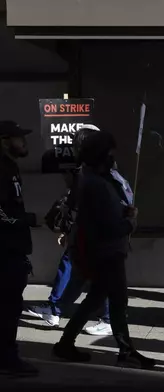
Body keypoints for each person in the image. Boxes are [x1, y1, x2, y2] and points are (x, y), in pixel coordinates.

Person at [52, 131, 155, 369]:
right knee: (117, 300)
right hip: (106, 252)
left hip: (104, 251)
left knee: (96, 298)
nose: (113, 158)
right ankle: (125, 350)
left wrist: (123, 213)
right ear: (100, 155)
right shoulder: (96, 183)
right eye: (110, 154)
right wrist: (130, 222)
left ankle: (66, 342)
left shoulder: (96, 179)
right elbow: (106, 225)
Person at [28, 126, 113, 336]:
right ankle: (57, 311)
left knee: (98, 278)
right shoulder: (87, 170)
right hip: (85, 233)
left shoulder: (99, 171)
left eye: (78, 144)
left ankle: (107, 319)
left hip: (99, 236)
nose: (75, 148)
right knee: (76, 274)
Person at [0, 120, 39, 377]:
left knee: (10, 307)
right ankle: (6, 360)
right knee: (7, 308)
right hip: (4, 252)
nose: (23, 141)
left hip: (13, 250)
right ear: (4, 140)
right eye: (18, 137)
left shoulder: (10, 167)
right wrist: (29, 220)